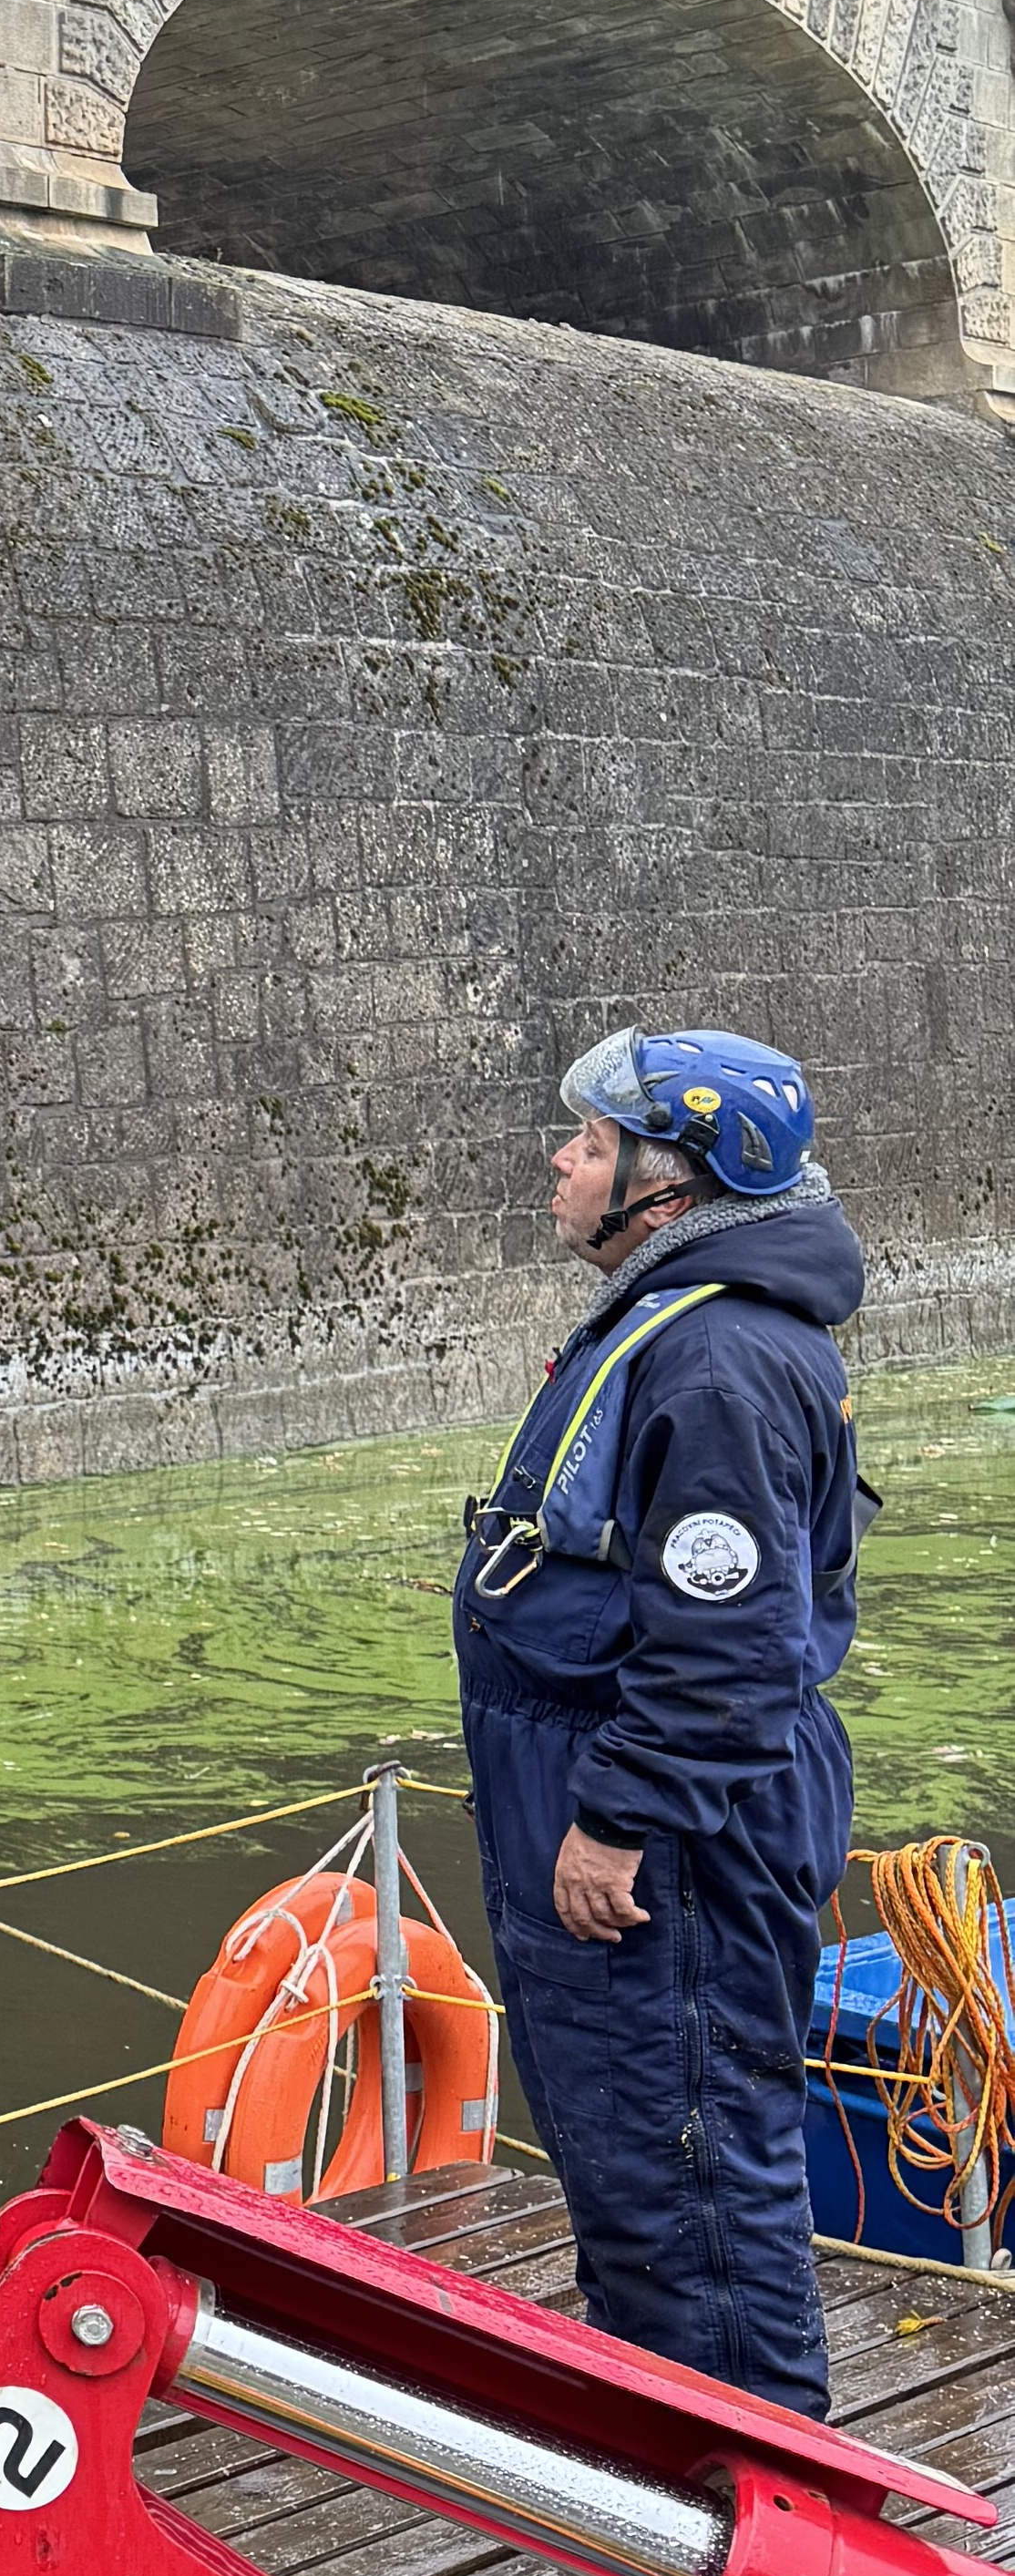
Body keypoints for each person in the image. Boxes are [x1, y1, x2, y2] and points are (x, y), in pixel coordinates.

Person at [451, 1027, 866, 2416]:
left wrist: (618, 1822)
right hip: (619, 1811)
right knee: (635, 2178)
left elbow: (728, 1645)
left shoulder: (720, 1370)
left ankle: (759, 2511)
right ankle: (659, 2471)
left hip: (668, 1850)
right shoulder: (678, 1323)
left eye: (586, 1143)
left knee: (689, 2181)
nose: (561, 1163)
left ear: (663, 1186)